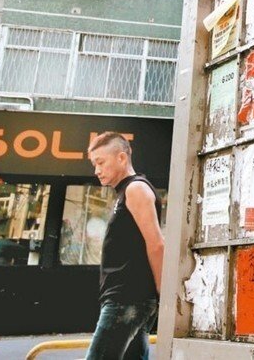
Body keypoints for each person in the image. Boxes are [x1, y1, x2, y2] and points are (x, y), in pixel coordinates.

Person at [85, 132, 164, 360]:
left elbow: (157, 244)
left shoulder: (135, 189)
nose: (96, 170)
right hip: (128, 298)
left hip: (127, 299)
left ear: (121, 158)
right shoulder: (125, 192)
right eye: (94, 164)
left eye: (101, 162)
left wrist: (163, 295)